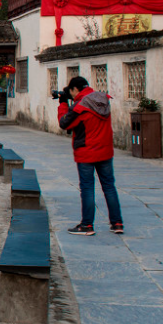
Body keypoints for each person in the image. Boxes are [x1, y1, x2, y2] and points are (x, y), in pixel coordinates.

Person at [57, 76, 123, 235]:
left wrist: (63, 104)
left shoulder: (80, 106)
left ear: (74, 89)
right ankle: (117, 223)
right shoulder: (102, 100)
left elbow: (64, 123)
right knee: (109, 186)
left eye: (71, 91)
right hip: (105, 151)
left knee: (87, 188)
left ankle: (87, 225)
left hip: (86, 151)